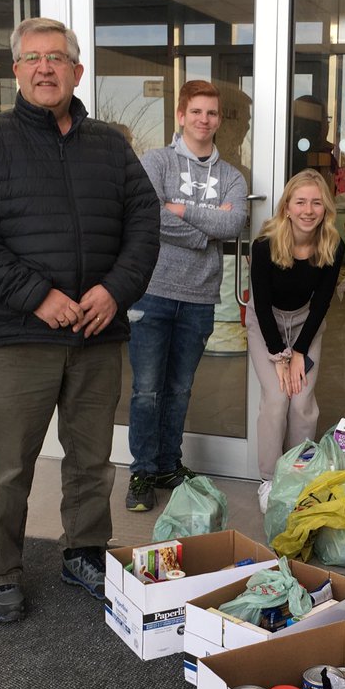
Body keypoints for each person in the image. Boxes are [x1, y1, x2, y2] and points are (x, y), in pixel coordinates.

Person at [0, 17, 159, 623]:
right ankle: (0, 568)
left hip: (96, 332)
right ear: (16, 71)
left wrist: (115, 291)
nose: (45, 68)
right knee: (10, 465)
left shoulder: (111, 146)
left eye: (57, 58)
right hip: (19, 337)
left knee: (92, 459)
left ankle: (85, 552)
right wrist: (38, 296)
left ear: (77, 72)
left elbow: (144, 225)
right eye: (33, 58)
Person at [125, 81, 249, 512]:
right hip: (152, 293)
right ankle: (141, 472)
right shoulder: (156, 161)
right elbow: (147, 214)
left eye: (211, 113)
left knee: (178, 389)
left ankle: (167, 465)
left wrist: (180, 210)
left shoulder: (232, 176)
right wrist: (204, 231)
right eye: (196, 111)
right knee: (145, 389)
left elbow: (234, 228)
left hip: (199, 297)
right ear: (181, 115)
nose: (204, 120)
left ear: (218, 120)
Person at [246, 169, 344, 512]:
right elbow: (259, 302)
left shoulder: (332, 244)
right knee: (276, 397)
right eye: (300, 201)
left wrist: (300, 350)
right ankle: (269, 479)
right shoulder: (265, 244)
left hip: (306, 324)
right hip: (266, 324)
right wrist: (281, 357)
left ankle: (296, 476)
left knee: (301, 401)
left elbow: (321, 304)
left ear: (325, 208)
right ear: (287, 206)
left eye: (316, 203)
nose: (308, 210)